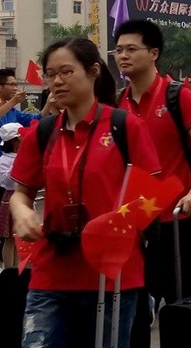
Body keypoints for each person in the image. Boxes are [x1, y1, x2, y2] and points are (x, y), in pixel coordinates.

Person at [9, 37, 160, 348]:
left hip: (111, 275)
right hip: (51, 271)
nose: (57, 81)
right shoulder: (43, 132)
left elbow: (152, 198)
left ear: (93, 71)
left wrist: (115, 225)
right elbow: (21, 193)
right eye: (51, 74)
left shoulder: (124, 126)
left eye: (66, 71)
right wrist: (21, 212)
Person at [114, 20, 191, 346]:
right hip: (133, 227)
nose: (123, 56)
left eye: (132, 49)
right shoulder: (118, 104)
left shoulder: (177, 96)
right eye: (118, 50)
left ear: (153, 53)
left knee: (180, 313)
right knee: (133, 317)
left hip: (176, 222)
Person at [0, 68, 55, 154]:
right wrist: (14, 101)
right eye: (12, 84)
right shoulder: (11, 106)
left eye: (16, 85)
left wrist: (48, 103)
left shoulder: (13, 112)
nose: (15, 88)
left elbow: (35, 119)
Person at [0, 122, 22, 268]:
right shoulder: (4, 160)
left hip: (21, 198)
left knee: (18, 238)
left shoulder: (19, 156)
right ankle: (8, 270)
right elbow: (5, 181)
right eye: (20, 138)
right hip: (10, 199)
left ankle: (17, 269)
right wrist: (17, 164)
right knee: (9, 239)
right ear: (14, 141)